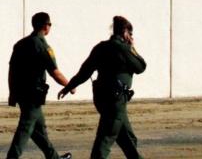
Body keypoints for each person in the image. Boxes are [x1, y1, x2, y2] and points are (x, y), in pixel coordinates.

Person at [57, 16, 146, 159]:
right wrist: (132, 48)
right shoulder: (124, 48)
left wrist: (68, 87)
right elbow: (141, 67)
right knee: (105, 140)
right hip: (116, 101)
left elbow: (84, 72)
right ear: (125, 33)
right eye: (130, 34)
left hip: (102, 98)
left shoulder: (100, 47)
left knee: (128, 139)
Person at [6, 11, 73, 159]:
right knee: (25, 129)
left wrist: (12, 92)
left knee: (38, 130)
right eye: (49, 24)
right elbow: (55, 72)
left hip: (22, 93)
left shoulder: (20, 44)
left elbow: (12, 71)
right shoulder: (42, 45)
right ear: (46, 26)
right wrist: (70, 86)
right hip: (33, 95)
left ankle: (53, 157)